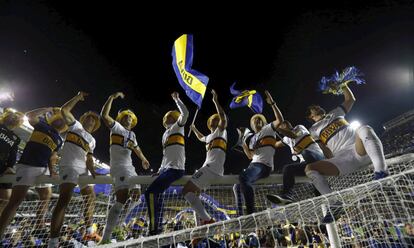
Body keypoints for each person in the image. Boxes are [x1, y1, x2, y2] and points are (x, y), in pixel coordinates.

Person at [305, 84, 388, 223]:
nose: (319, 108)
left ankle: (381, 172)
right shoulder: (312, 130)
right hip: (342, 159)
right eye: (315, 109)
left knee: (364, 128)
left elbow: (350, 99)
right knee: (309, 168)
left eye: (318, 107)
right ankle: (335, 204)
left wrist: (343, 85)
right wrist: (331, 162)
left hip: (358, 149)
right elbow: (325, 149)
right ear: (311, 116)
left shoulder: (335, 112)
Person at [0, 107, 67, 237]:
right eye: (60, 117)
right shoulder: (42, 125)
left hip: (43, 167)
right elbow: (30, 115)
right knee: (15, 201)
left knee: (47, 193)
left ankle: (39, 223)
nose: (62, 120)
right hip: (28, 165)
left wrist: (52, 171)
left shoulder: (59, 140)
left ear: (66, 126)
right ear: (53, 118)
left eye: (64, 120)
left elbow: (52, 157)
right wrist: (47, 108)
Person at [49, 92, 101, 247]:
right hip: (69, 165)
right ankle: (53, 240)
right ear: (84, 119)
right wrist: (78, 97)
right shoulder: (76, 125)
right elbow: (64, 110)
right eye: (89, 117)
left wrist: (92, 171)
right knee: (64, 200)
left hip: (83, 168)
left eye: (94, 119)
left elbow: (89, 158)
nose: (91, 120)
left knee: (91, 197)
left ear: (96, 124)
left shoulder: (92, 140)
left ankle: (88, 230)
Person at [100, 92, 150, 243]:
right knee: (121, 198)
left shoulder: (132, 135)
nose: (128, 118)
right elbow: (104, 115)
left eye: (130, 117)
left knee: (136, 195)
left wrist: (143, 159)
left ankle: (120, 220)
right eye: (126, 116)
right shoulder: (116, 127)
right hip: (118, 167)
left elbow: (137, 149)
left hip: (130, 167)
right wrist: (111, 98)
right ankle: (105, 237)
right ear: (121, 118)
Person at [145, 91, 188, 235]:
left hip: (176, 169)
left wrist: (177, 100)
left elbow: (186, 113)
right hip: (166, 169)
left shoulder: (178, 126)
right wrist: (160, 169)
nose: (169, 117)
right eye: (167, 116)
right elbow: (165, 156)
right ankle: (158, 227)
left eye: (172, 116)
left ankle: (153, 228)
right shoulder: (165, 135)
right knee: (159, 196)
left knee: (150, 193)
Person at [266, 99, 325, 204]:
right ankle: (287, 195)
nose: (286, 124)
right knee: (288, 169)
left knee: (305, 153)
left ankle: (318, 187)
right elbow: (274, 144)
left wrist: (277, 128)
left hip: (317, 157)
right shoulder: (286, 139)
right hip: (307, 164)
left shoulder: (298, 128)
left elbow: (293, 135)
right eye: (283, 125)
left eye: (286, 124)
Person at [238, 90, 283, 214]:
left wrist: (272, 103)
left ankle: (251, 214)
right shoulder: (252, 139)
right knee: (237, 187)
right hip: (254, 164)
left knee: (244, 178)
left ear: (263, 122)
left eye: (259, 120)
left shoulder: (268, 128)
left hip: (264, 166)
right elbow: (250, 156)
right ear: (252, 125)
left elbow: (279, 120)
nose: (257, 121)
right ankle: (240, 214)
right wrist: (243, 144)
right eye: (254, 121)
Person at [0, 108, 24, 214]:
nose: (15, 118)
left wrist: (10, 166)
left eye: (17, 118)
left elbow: (12, 156)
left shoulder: (15, 138)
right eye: (13, 116)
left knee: (6, 197)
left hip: (1, 167)